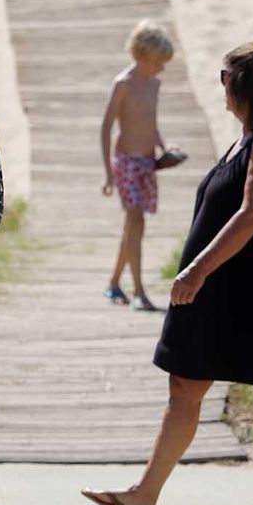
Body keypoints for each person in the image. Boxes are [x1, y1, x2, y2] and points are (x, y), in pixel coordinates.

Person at [82, 42, 253, 505]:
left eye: (225, 76)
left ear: (247, 85)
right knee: (185, 387)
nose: (222, 86)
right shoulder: (248, 137)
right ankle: (144, 495)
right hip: (219, 293)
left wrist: (196, 270)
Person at [100, 20, 177, 312]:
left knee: (133, 225)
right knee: (137, 221)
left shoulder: (154, 85)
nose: (162, 68)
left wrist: (165, 147)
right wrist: (109, 172)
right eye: (159, 62)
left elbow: (151, 124)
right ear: (144, 57)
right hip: (126, 161)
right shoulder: (123, 84)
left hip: (147, 161)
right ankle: (140, 292)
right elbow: (106, 126)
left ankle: (114, 283)